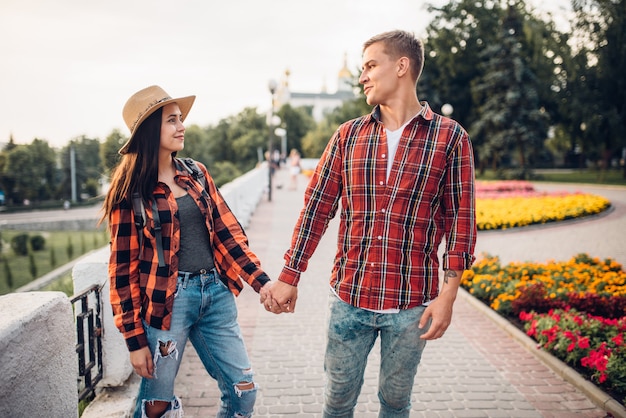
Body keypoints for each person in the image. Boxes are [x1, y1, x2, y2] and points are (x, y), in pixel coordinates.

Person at [265, 30, 477, 417]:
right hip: (349, 298)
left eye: (370, 66)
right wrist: (289, 275)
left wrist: (449, 296)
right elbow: (316, 209)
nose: (362, 76)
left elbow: (461, 221)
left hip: (412, 303)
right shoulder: (348, 136)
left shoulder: (451, 138)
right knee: (337, 402)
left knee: (396, 404)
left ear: (401, 66)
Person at [101, 85, 273, 418]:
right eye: (171, 121)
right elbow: (122, 272)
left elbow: (228, 233)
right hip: (167, 305)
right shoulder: (131, 193)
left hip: (216, 295)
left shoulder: (195, 173)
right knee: (156, 408)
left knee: (244, 393)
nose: (181, 126)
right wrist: (136, 342)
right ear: (151, 130)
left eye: (180, 119)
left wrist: (261, 282)